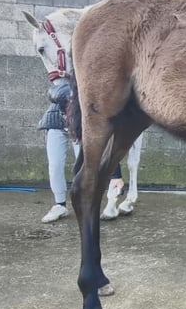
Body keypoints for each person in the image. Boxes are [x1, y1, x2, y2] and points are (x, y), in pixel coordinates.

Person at [38, 77, 124, 223]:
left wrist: (116, 175)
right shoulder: (60, 96)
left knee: (86, 166)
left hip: (81, 128)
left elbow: (106, 143)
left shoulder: (93, 105)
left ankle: (87, 205)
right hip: (58, 127)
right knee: (55, 165)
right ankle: (60, 205)